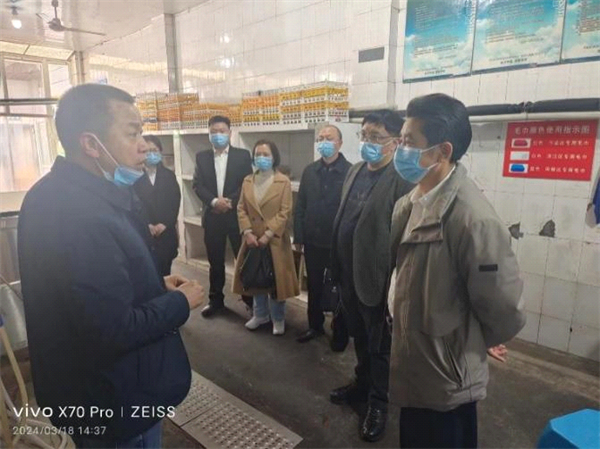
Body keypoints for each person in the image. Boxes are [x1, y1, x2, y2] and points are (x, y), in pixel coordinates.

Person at [18, 84, 205, 448]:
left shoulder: (63, 194)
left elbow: (95, 289)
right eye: (132, 134)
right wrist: (179, 303)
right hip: (112, 401)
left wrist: (154, 285)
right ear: (91, 144)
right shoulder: (78, 215)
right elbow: (112, 329)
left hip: (100, 392)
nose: (144, 146)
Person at [389, 93, 526, 449]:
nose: (400, 149)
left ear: (442, 151)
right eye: (400, 140)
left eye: (410, 142)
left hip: (447, 375)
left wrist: (473, 342)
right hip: (416, 361)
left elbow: (504, 306)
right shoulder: (411, 203)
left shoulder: (472, 218)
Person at [330, 110, 413, 442]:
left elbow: (402, 236)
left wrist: (394, 284)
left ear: (395, 142)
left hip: (376, 279)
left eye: (375, 137)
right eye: (364, 135)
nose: (367, 142)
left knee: (380, 347)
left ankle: (379, 404)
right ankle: (361, 384)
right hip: (347, 273)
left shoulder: (401, 179)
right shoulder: (355, 170)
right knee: (360, 338)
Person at [232, 140, 299, 335]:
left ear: (274, 157)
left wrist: (268, 234)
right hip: (252, 239)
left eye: (266, 154)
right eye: (258, 154)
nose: (261, 158)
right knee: (255, 277)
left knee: (277, 281)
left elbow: (285, 212)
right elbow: (241, 208)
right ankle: (260, 315)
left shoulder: (283, 181)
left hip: (275, 240)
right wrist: (247, 232)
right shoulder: (247, 180)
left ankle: (278, 318)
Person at [294, 125, 351, 348]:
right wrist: (299, 236)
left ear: (340, 143)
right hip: (313, 240)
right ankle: (314, 325)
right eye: (320, 138)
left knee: (339, 288)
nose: (324, 142)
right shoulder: (310, 171)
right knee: (314, 285)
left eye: (329, 138)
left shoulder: (350, 172)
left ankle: (340, 332)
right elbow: (301, 205)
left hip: (338, 243)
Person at [192, 115, 253, 317]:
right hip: (212, 216)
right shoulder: (201, 157)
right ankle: (216, 300)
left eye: (222, 131)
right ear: (209, 134)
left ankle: (250, 300)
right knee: (215, 262)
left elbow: (246, 183)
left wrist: (229, 202)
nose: (218, 135)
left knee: (242, 259)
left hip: (236, 216)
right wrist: (214, 202)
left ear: (230, 133)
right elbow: (197, 185)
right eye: (213, 132)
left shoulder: (242, 156)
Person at [134, 135, 181, 276]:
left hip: (166, 233)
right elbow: (133, 204)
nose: (151, 154)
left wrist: (165, 224)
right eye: (147, 151)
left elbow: (175, 202)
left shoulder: (169, 176)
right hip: (144, 233)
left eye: (155, 150)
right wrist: (147, 225)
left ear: (160, 152)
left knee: (166, 273)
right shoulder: (134, 177)